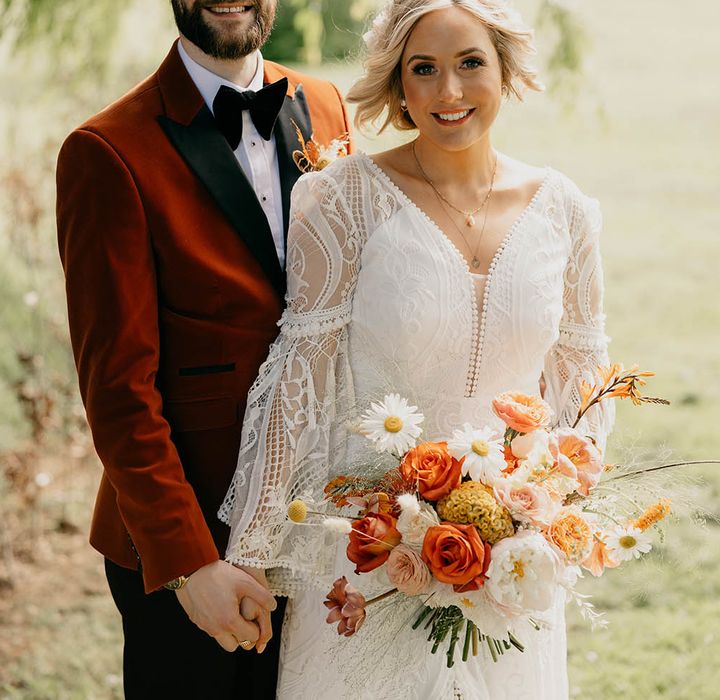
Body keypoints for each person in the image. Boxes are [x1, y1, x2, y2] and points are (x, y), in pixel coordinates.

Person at [219, 0, 614, 697]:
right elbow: (297, 379)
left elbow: (583, 386)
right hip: (368, 554)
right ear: (399, 85)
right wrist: (251, 552)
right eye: (423, 69)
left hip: (512, 569)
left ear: (505, 69)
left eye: (470, 65)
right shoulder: (341, 201)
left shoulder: (566, 211)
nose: (449, 92)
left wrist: (546, 508)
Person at [55, 0, 350, 696]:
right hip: (196, 542)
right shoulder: (106, 151)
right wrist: (190, 565)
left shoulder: (327, 105)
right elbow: (118, 394)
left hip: (320, 535)